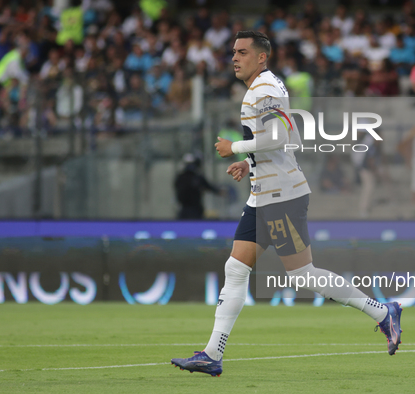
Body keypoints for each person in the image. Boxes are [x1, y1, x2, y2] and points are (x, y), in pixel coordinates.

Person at [171, 31, 402, 377]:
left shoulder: (263, 90)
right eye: (233, 52)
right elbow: (283, 139)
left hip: (281, 194)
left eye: (243, 52)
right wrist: (250, 163)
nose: (235, 57)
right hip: (263, 192)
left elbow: (278, 136)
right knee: (236, 270)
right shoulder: (265, 87)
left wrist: (235, 148)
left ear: (262, 57)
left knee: (302, 274)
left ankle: (383, 312)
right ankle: (211, 354)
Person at [174, 153, 223, 220]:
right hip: (187, 208)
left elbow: (208, 186)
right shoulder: (185, 177)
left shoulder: (195, 177)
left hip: (194, 209)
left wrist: (219, 191)